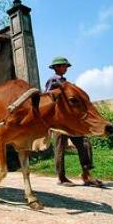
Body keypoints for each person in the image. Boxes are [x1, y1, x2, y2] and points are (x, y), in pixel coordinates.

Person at [45, 56, 103, 187]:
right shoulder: (53, 80)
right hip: (60, 120)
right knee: (60, 147)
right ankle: (61, 177)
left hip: (71, 121)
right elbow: (48, 97)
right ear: (57, 67)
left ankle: (86, 174)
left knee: (84, 143)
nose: (66, 68)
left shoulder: (66, 82)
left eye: (66, 66)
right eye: (64, 66)